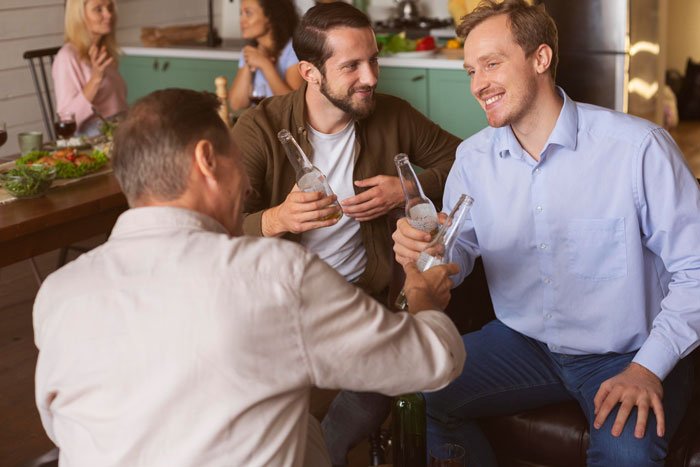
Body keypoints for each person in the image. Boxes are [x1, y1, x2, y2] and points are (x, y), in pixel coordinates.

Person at [32, 88, 466, 467]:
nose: (244, 182)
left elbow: (63, 426)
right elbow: (433, 362)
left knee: (307, 433)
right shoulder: (276, 275)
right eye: (236, 160)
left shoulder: (57, 293)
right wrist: (422, 298)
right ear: (207, 160)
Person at [393, 1, 700, 466]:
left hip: (626, 351)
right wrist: (425, 257)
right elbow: (456, 257)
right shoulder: (473, 160)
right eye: (471, 70)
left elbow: (695, 270)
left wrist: (646, 368)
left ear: (541, 59)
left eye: (492, 64)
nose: (478, 85)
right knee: (416, 388)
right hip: (524, 343)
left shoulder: (637, 149)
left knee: (626, 454)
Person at [232, 3, 460, 463]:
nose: (371, 77)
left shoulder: (391, 114)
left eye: (373, 60)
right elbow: (215, 230)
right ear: (310, 72)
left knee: (385, 379)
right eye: (352, 66)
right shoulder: (259, 128)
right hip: (279, 300)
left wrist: (406, 187)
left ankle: (323, 450)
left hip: (361, 298)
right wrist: (277, 219)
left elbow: (462, 159)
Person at [53, 0, 127, 137]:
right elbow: (66, 120)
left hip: (119, 126)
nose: (109, 15)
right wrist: (96, 79)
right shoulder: (67, 57)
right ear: (79, 15)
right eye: (98, 9)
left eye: (109, 7)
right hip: (94, 136)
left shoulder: (103, 51)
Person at [228, 0, 304, 110]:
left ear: (270, 15)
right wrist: (249, 64)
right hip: (259, 123)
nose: (241, 21)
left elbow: (292, 105)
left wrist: (264, 64)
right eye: (241, 14)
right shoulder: (250, 52)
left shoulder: (294, 50)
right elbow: (237, 104)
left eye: (248, 13)